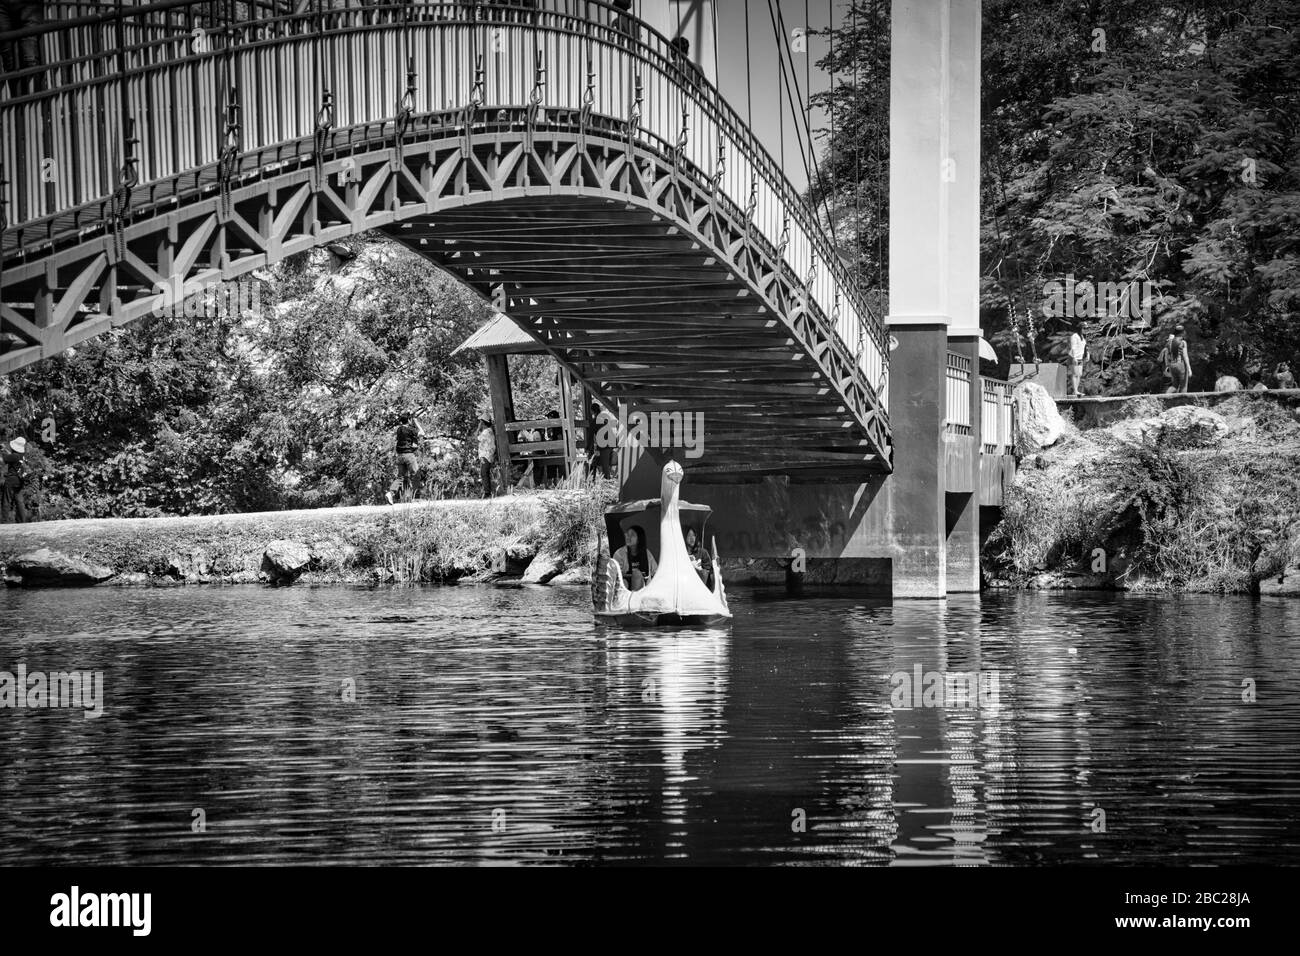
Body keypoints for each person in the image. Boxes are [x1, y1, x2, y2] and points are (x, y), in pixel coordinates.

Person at [386, 412, 424, 504]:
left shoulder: (399, 429)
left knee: (400, 477)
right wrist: (416, 423)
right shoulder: (410, 429)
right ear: (409, 420)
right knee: (416, 475)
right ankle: (414, 497)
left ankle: (390, 493)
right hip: (408, 455)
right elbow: (422, 433)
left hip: (399, 456)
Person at [611, 525, 657, 591]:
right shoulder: (619, 554)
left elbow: (655, 572)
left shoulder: (647, 553)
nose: (628, 537)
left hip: (642, 589)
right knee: (625, 581)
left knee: (637, 575)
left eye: (632, 535)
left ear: (639, 539)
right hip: (624, 589)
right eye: (627, 534)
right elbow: (615, 575)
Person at [0, 436, 33, 523]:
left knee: (6, 500)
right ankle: (22, 521)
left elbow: (2, 460)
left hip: (11, 480)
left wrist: (1, 453)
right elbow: (11, 457)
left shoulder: (14, 456)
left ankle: (4, 521)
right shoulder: (21, 456)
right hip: (20, 481)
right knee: (19, 501)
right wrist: (4, 450)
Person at [1158, 325, 1192, 393]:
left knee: (1174, 385)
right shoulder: (1183, 342)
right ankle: (1183, 401)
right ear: (1182, 333)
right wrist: (1189, 368)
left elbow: (1167, 356)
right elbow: (1185, 356)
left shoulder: (1169, 342)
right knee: (1183, 386)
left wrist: (1168, 366)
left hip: (1172, 366)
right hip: (1181, 365)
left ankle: (1165, 397)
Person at [476, 415, 496, 498]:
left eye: (481, 422)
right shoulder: (489, 431)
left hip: (485, 455)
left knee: (484, 473)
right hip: (488, 455)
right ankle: (488, 491)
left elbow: (475, 437)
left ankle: (487, 492)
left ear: (483, 423)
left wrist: (478, 428)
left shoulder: (486, 432)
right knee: (485, 473)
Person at [1068, 328, 1087, 397]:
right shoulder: (1074, 336)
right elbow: (1073, 348)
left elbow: (1084, 347)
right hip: (1073, 357)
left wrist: (1087, 354)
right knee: (1075, 373)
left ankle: (1076, 390)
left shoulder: (1083, 337)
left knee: (1079, 374)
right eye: (1084, 328)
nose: (1085, 330)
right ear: (1080, 328)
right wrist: (1074, 357)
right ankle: (1075, 391)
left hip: (1080, 358)